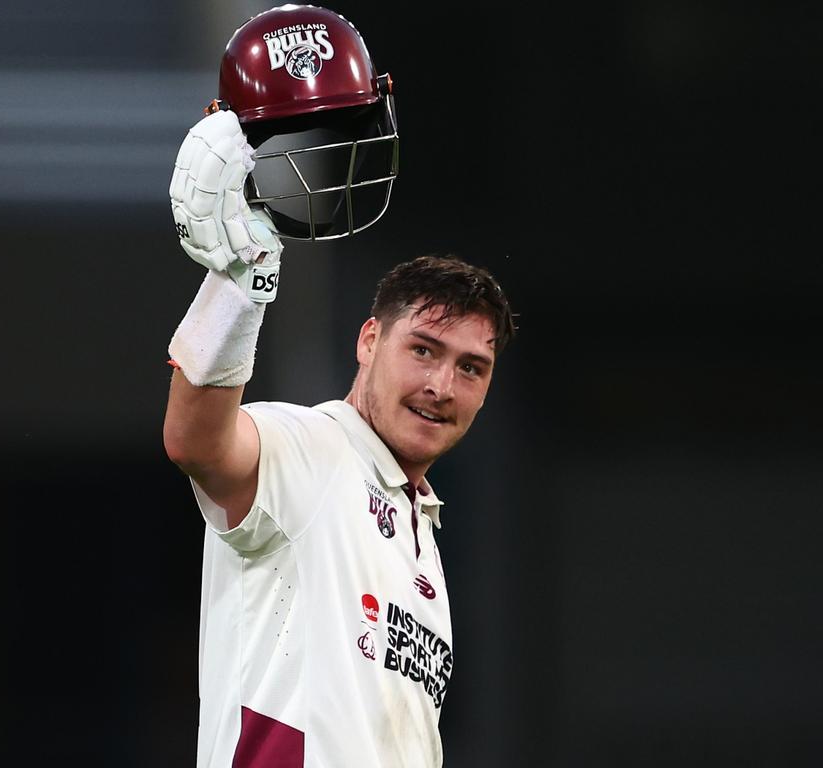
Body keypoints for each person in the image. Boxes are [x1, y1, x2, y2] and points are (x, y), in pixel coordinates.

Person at [163, 6, 515, 766]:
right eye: (423, 349)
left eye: (470, 368)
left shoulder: (418, 532)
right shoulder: (316, 451)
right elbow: (197, 441)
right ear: (367, 341)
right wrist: (237, 285)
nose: (441, 384)